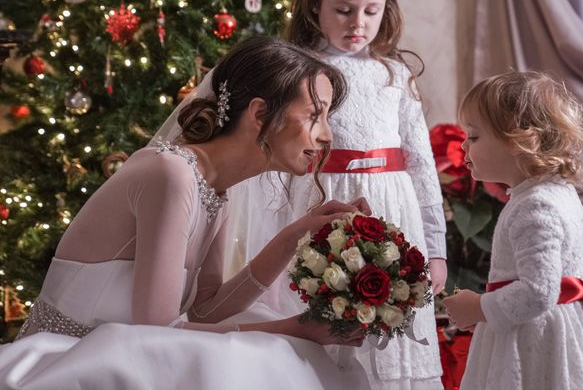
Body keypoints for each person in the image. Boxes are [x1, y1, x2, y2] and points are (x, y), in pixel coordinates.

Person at [0, 37, 373, 390]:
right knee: (271, 355)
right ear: (259, 113)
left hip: (131, 358)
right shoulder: (171, 175)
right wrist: (296, 328)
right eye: (314, 115)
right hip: (76, 366)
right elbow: (157, 331)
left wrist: (295, 236)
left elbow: (205, 311)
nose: (326, 136)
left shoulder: (217, 187)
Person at [227, 0, 446, 389]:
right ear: (314, 5)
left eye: (372, 10)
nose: (358, 24)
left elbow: (423, 168)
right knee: (329, 318)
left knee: (389, 320)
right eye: (344, 10)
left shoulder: (394, 76)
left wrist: (437, 250)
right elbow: (278, 159)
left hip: (394, 209)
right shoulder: (300, 71)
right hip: (325, 207)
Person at [443, 71, 583, 389]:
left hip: (535, 340)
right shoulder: (554, 193)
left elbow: (538, 292)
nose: (464, 145)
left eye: (475, 137)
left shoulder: (535, 206)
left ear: (520, 141)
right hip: (561, 328)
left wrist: (477, 307)